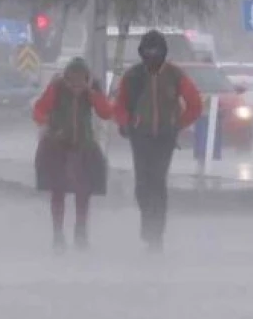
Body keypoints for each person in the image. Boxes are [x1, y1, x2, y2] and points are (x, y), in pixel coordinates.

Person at [112, 30, 203, 252]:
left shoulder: (175, 75)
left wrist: (177, 124)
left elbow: (195, 104)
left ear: (163, 52)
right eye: (148, 51)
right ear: (142, 52)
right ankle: (148, 224)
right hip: (140, 136)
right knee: (142, 186)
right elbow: (120, 104)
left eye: (156, 51)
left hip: (164, 137)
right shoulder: (132, 76)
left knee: (158, 183)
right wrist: (125, 123)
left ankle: (156, 235)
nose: (152, 55)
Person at [33, 57, 111, 252]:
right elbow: (39, 110)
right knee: (57, 191)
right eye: (73, 79)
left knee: (83, 192)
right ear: (67, 77)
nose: (77, 84)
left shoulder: (92, 90)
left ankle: (80, 233)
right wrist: (48, 125)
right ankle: (58, 235)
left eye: (81, 79)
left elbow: (106, 112)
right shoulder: (57, 88)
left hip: (83, 147)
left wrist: (92, 94)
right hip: (57, 147)